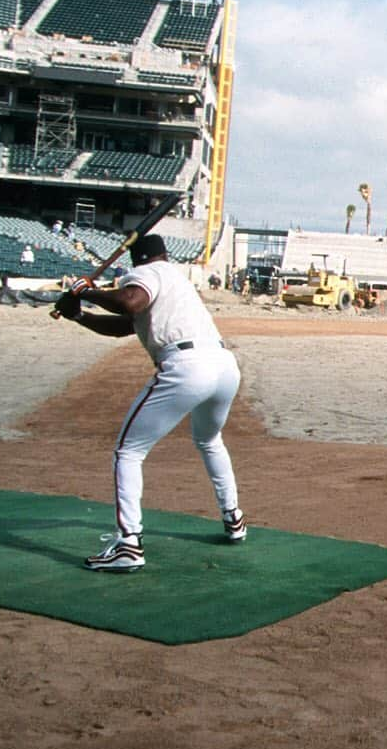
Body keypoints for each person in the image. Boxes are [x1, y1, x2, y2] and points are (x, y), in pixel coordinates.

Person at [54, 233, 246, 571]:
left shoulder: (147, 274)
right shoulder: (175, 280)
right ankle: (234, 519)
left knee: (128, 452)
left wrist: (85, 291)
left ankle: (129, 544)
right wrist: (79, 315)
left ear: (137, 260)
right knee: (209, 440)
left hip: (187, 366)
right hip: (224, 365)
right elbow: (124, 324)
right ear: (163, 254)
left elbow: (130, 302)